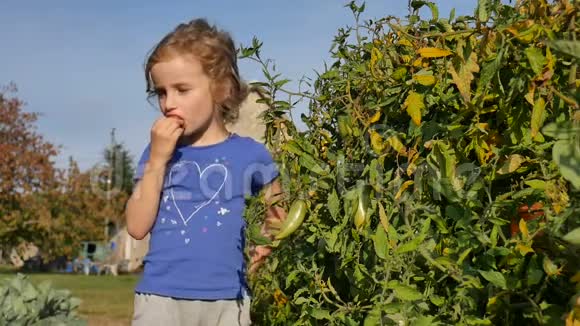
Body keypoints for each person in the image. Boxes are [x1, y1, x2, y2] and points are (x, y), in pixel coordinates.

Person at [125, 18, 286, 325]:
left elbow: (277, 214)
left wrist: (266, 244)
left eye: (182, 89)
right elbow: (136, 226)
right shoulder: (158, 152)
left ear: (222, 89)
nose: (168, 103)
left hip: (228, 298)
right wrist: (157, 161)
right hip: (161, 299)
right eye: (161, 92)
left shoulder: (251, 154)